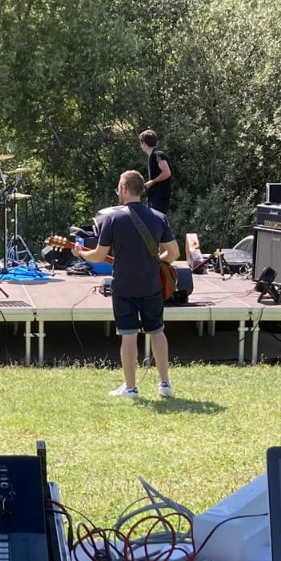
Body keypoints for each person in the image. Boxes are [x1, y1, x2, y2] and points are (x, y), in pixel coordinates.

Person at [71, 169, 179, 399]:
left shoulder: (113, 218)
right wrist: (158, 262)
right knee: (157, 332)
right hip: (151, 285)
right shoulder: (159, 217)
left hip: (124, 286)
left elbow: (99, 256)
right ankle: (165, 384)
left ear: (123, 189)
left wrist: (81, 254)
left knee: (128, 335)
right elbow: (174, 253)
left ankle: (130, 388)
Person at [139, 129, 174, 215]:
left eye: (141, 143)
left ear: (144, 143)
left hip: (160, 197)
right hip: (155, 197)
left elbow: (166, 172)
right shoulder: (152, 156)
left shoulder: (158, 155)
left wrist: (152, 182)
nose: (141, 145)